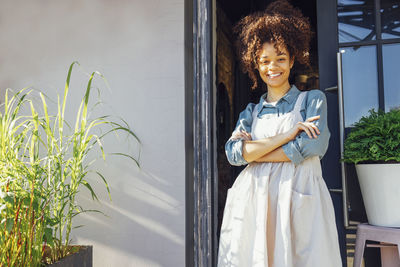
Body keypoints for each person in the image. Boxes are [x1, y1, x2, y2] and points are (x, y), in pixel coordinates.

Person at [217, 1, 343, 266]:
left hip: (299, 196)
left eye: (280, 59)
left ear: (292, 60)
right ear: (256, 64)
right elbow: (233, 154)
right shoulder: (250, 112)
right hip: (255, 201)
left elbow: (314, 147)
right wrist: (287, 136)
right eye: (264, 61)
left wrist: (255, 154)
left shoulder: (313, 100)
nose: (272, 67)